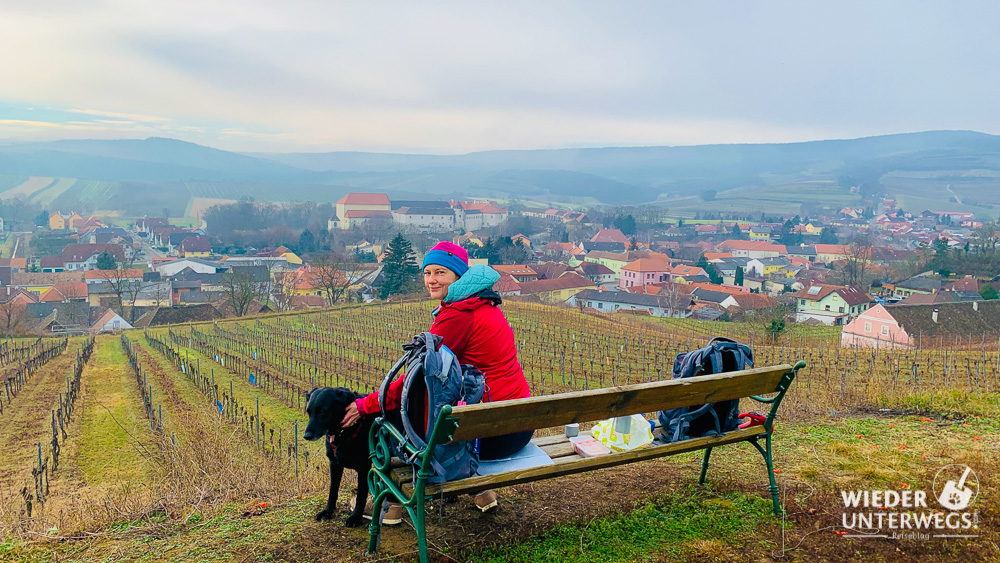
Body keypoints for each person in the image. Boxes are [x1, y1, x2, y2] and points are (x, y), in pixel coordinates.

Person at [341, 241, 532, 512]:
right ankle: (480, 490)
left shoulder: (458, 315)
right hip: (518, 425)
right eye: (427, 272)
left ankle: (392, 502)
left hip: (489, 437)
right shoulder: (486, 304)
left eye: (440, 272)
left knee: (396, 416)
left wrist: (365, 405)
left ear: (458, 276)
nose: (431, 279)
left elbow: (414, 382)